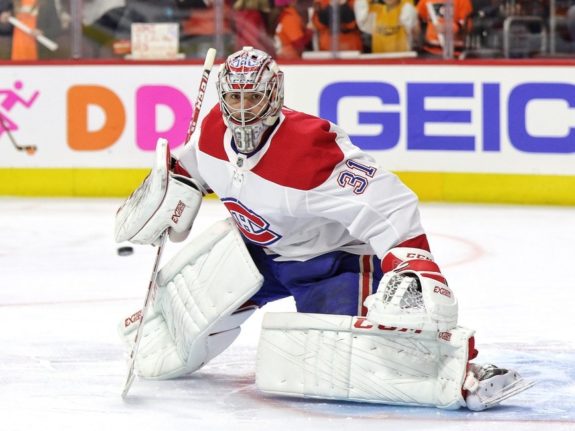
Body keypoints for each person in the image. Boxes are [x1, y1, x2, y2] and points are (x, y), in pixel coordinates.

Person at [115, 47, 534, 410]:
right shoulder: (211, 129)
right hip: (254, 255)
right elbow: (194, 163)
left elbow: (388, 201)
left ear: (274, 94)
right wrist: (176, 184)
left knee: (351, 368)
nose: (242, 109)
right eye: (234, 96)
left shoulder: (312, 148)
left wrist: (413, 263)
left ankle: (462, 370)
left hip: (332, 264)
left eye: (254, 96)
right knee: (170, 350)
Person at [354, 0, 420, 53]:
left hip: (401, 60)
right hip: (379, 60)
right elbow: (362, 21)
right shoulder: (375, 10)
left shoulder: (406, 9)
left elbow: (415, 32)